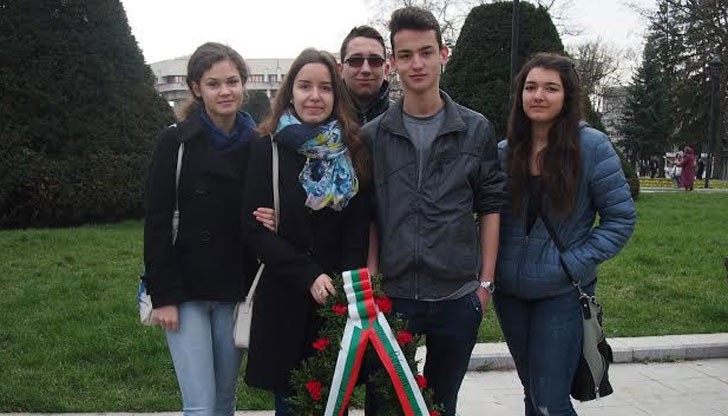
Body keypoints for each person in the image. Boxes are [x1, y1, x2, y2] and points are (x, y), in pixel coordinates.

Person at [362, 7, 506, 416]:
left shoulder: (475, 129)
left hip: (456, 296)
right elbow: (369, 215)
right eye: (406, 55)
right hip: (393, 297)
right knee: (384, 405)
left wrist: (484, 286)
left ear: (444, 53)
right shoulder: (374, 136)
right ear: (393, 62)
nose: (417, 64)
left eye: (426, 52)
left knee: (443, 405)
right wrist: (373, 282)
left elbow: (490, 207)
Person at [494, 52, 636, 416]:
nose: (538, 96)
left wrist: (572, 263)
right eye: (530, 87)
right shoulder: (504, 152)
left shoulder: (592, 147)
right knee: (532, 393)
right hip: (510, 295)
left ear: (567, 95)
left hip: (561, 293)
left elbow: (620, 218)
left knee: (549, 401)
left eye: (550, 88)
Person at [241, 48, 371, 416]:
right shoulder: (267, 147)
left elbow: (358, 228)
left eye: (325, 88)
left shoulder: (353, 149)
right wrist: (308, 275)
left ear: (337, 95)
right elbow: (253, 230)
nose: (315, 96)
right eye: (305, 86)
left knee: (335, 401)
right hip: (284, 296)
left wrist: (344, 290)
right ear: (290, 92)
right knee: (291, 401)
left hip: (336, 300)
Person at [144, 42, 267, 416]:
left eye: (232, 81)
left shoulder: (259, 144)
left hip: (235, 287)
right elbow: (158, 221)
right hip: (185, 289)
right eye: (214, 84)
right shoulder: (175, 141)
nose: (225, 91)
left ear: (244, 84)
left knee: (225, 401)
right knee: (200, 405)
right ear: (196, 89)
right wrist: (164, 295)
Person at [339, 25, 391, 125]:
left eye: (375, 61)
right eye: (355, 60)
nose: (365, 69)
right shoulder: (320, 122)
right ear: (340, 70)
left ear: (386, 70)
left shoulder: (404, 122)